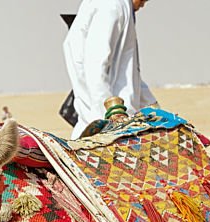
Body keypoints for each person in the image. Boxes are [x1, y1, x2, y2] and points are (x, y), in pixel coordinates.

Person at [63, 0, 158, 138]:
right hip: (105, 129)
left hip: (119, 124)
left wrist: (154, 109)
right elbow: (95, 65)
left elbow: (130, 76)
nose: (143, 4)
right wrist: (113, 114)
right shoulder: (111, 5)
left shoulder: (118, 6)